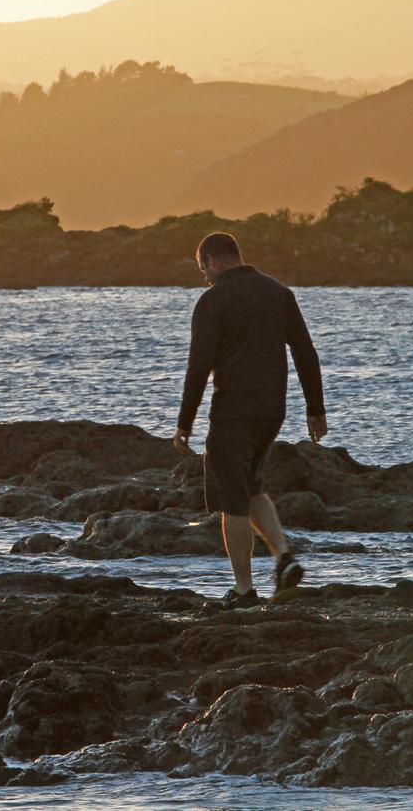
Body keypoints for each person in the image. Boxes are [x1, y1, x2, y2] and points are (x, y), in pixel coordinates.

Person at [173, 231, 327, 609]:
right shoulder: (279, 293)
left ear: (213, 260)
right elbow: (306, 353)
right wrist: (315, 409)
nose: (204, 276)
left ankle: (243, 591)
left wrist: (184, 421)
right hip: (272, 411)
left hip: (232, 412)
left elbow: (198, 366)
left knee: (232, 502)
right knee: (251, 489)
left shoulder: (213, 301)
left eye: (203, 269)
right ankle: (284, 559)